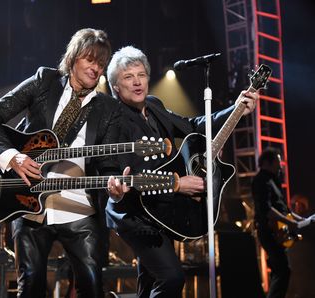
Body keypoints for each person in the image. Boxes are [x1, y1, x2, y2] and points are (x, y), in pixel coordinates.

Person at [105, 46, 258, 297]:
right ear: (115, 87)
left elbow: (192, 126)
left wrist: (236, 109)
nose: (137, 82)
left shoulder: (154, 104)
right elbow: (134, 174)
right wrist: (179, 184)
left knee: (149, 282)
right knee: (172, 278)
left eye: (141, 75)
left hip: (160, 210)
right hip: (134, 213)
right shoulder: (114, 120)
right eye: (128, 77)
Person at [0, 28, 120, 298]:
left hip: (78, 208)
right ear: (74, 57)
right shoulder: (45, 81)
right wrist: (11, 156)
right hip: (27, 201)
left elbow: (108, 163)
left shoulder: (107, 108)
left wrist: (115, 183)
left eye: (101, 64)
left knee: (92, 286)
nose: (96, 69)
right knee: (30, 286)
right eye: (90, 60)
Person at [252, 147, 304, 298]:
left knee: (280, 270)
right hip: (269, 231)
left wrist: (299, 219)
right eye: (278, 161)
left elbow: (282, 208)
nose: (280, 165)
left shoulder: (273, 179)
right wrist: (290, 221)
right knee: (283, 270)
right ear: (268, 162)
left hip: (278, 231)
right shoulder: (261, 180)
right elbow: (266, 209)